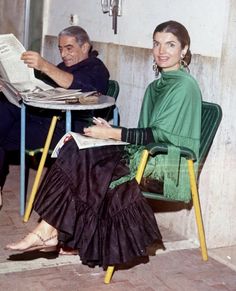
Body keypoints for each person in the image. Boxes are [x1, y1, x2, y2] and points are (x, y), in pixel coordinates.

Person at [6, 20, 202, 269]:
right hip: (145, 155)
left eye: (171, 45)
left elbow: (158, 136)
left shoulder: (184, 86)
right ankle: (49, 229)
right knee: (76, 147)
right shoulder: (157, 86)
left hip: (165, 167)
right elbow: (148, 133)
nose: (162, 51)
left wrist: (113, 134)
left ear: (184, 50)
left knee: (88, 161)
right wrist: (110, 131)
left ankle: (50, 231)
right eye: (157, 44)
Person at [0, 25, 110, 205]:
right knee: (4, 107)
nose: (64, 54)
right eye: (60, 49)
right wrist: (10, 89)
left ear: (85, 47)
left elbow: (83, 88)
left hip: (65, 131)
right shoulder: (62, 66)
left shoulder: (96, 68)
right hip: (42, 122)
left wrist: (44, 66)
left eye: (69, 48)